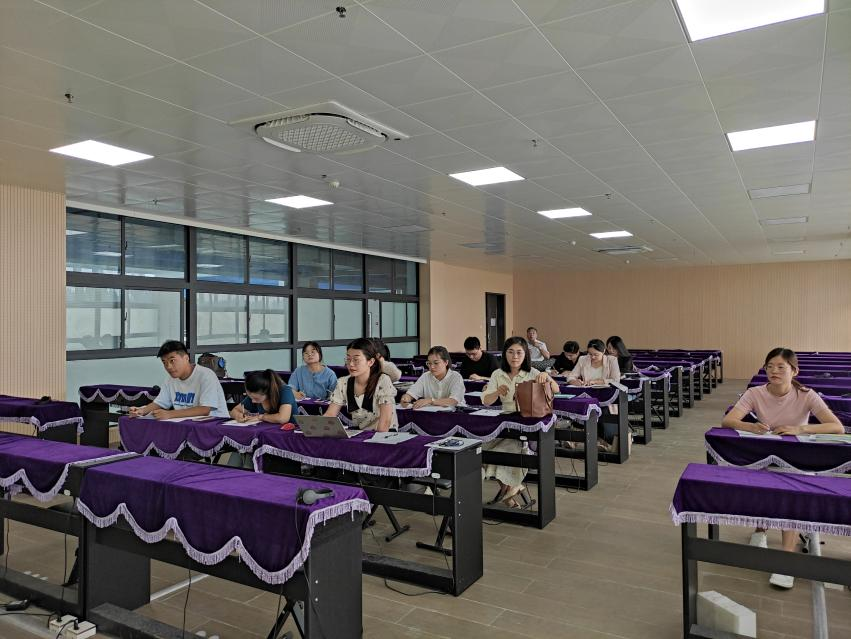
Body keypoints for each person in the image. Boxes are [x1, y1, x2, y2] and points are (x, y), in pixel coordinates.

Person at [721, 347, 843, 590]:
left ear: (794, 371)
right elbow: (728, 421)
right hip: (766, 454)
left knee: (792, 494)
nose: (773, 371)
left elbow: (836, 427)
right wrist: (750, 426)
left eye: (780, 367)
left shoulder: (806, 395)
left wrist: (800, 429)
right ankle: (760, 530)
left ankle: (787, 560)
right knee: (759, 484)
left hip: (797, 459)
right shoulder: (755, 392)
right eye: (769, 367)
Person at [481, 337, 560, 508]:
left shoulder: (532, 372)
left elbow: (556, 389)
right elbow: (486, 401)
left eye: (519, 352)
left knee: (501, 452)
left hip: (527, 426)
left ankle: (511, 490)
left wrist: (547, 377)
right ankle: (511, 489)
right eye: (510, 352)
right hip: (504, 423)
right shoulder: (497, 374)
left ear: (526, 355)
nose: (514, 356)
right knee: (482, 450)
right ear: (505, 354)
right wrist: (497, 392)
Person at [129, 340, 228, 419]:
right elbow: (160, 402)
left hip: (215, 426)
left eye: (172, 361)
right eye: (164, 362)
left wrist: (170, 414)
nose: (168, 366)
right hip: (188, 425)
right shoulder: (170, 379)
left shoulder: (206, 375)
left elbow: (204, 409)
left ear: (186, 358)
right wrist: (141, 411)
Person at [325, 337, 398, 432]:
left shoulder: (383, 380)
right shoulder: (343, 382)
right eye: (348, 359)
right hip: (360, 432)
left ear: (370, 362)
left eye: (356, 359)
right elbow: (330, 414)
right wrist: (318, 427)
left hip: (385, 434)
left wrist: (376, 440)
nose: (351, 364)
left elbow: (385, 422)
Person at [400, 346, 465, 408]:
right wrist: (406, 398)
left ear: (446, 362)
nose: (432, 367)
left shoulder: (456, 377)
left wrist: (430, 401)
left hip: (456, 414)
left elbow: (454, 401)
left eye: (436, 363)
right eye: (429, 363)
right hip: (431, 413)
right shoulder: (425, 376)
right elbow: (411, 393)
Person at [230, 369, 298, 424]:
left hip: (290, 432)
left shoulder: (285, 391)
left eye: (256, 398)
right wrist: (238, 416)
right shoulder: (254, 395)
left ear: (268, 392)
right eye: (250, 397)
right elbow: (234, 411)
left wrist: (261, 417)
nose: (253, 401)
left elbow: (283, 418)